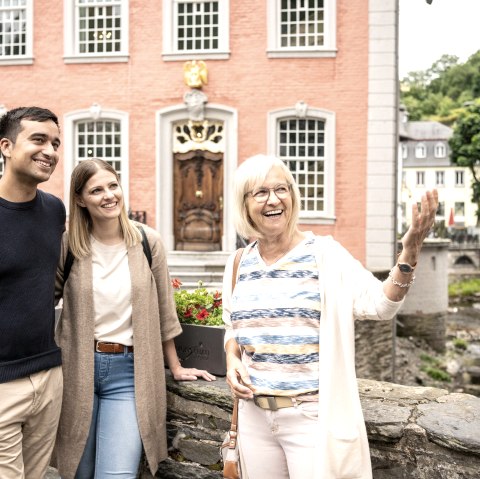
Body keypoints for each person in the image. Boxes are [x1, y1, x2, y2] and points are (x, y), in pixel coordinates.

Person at [222, 154, 438, 479]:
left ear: (293, 196)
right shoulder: (239, 262)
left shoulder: (324, 254)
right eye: (260, 192)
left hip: (310, 419)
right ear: (244, 204)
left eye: (281, 189)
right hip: (254, 420)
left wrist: (409, 255)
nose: (274, 199)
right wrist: (232, 360)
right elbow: (232, 327)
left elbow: (380, 304)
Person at [52, 158, 215, 478]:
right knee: (78, 472)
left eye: (113, 185)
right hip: (76, 370)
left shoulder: (147, 242)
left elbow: (164, 311)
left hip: (129, 374)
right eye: (96, 190)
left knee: (117, 474)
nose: (108, 195)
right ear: (81, 200)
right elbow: (43, 301)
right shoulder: (70, 245)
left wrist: (177, 367)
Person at [0, 106, 65, 478]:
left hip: (47, 376)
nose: (51, 151)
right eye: (38, 139)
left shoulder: (54, 211)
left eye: (55, 143)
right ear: (6, 146)